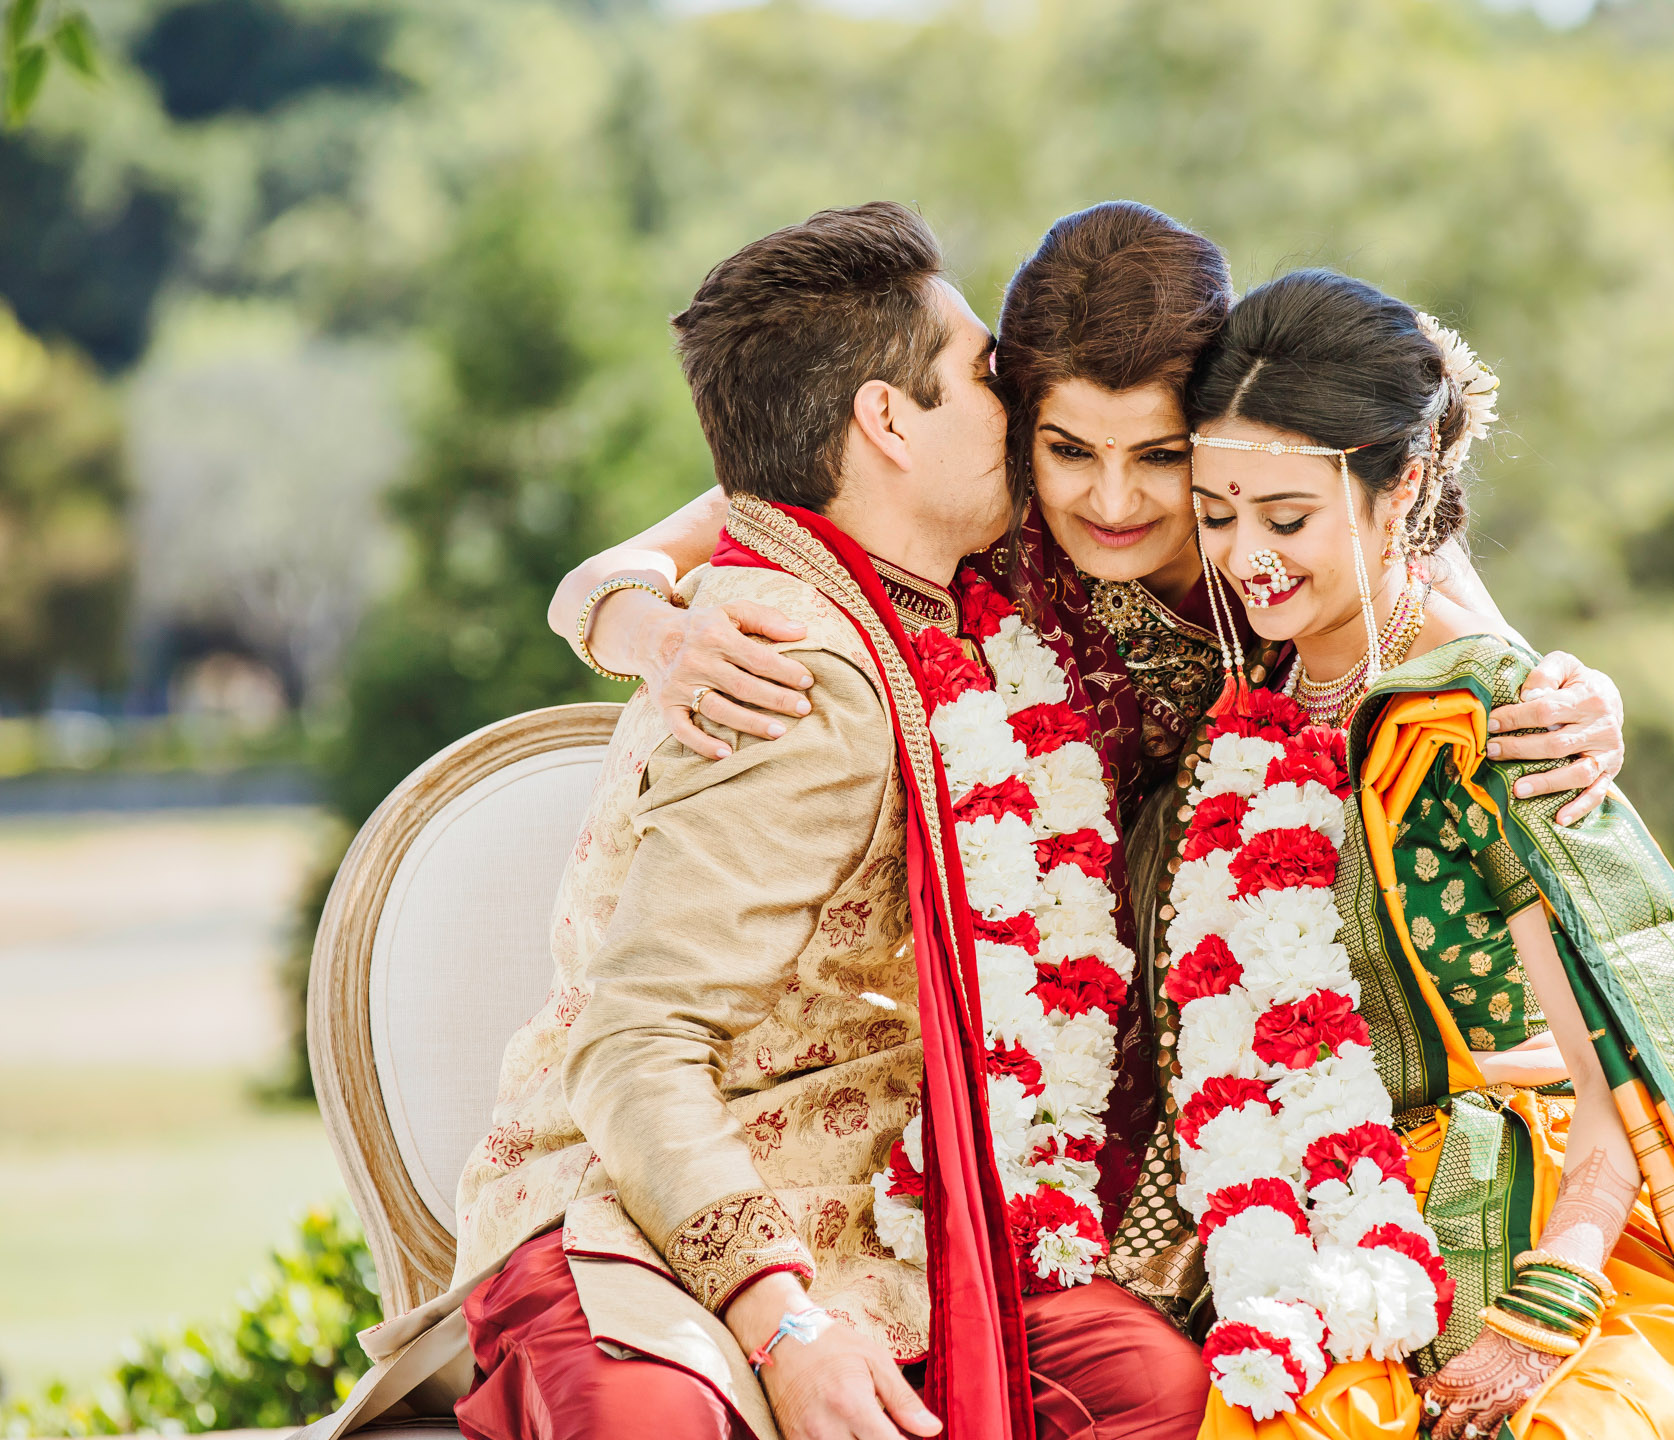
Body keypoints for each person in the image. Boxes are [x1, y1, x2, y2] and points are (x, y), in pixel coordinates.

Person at [547, 201, 1635, 1326]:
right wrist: (639, 627)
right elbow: (658, 546)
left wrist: (1579, 698)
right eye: (1068, 451)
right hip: (1029, 1045)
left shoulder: (1297, 520)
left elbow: (1489, 670)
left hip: (1290, 1028)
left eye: (1164, 459)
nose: (1111, 505)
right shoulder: (978, 499)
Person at [299, 202, 1215, 1440]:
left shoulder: (943, 581)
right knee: (653, 1426)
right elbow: (636, 1048)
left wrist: (618, 597)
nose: (1021, 423)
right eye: (988, 384)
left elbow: (1392, 527)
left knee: (1141, 1384)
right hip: (641, 1219)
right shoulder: (788, 665)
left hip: (883, 1221)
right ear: (887, 421)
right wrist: (783, 1326)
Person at [1139, 268, 1674, 1440]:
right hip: (1320, 1248)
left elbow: (1614, 1071)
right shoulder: (1259, 685)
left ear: (1401, 486)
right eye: (1218, 517)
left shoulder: (1498, 713)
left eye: (1286, 520)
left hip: (1546, 1240)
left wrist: (1539, 1317)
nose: (1247, 561)